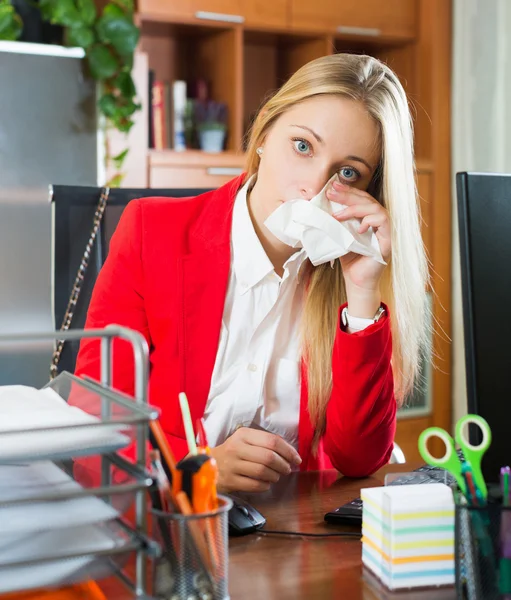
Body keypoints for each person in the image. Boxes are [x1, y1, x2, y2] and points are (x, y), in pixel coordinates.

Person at [75, 53, 429, 494]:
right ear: (264, 132)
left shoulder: (350, 276)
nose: (314, 187)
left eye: (346, 172)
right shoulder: (151, 231)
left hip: (296, 538)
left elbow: (358, 459)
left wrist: (362, 290)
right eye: (303, 146)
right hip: (171, 527)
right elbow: (96, 423)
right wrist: (197, 471)